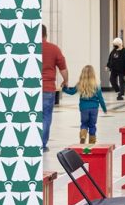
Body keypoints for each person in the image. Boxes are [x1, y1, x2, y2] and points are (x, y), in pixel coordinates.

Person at [62, 65, 107, 145]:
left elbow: (71, 92)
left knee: (84, 124)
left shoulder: (80, 84)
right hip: (94, 109)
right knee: (92, 125)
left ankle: (83, 135)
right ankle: (92, 143)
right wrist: (104, 109)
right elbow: (100, 99)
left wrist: (64, 89)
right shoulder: (96, 85)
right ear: (93, 74)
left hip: (84, 109)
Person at [41, 25, 68, 153]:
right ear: (46, 34)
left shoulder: (28, 48)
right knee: (46, 116)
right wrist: (65, 80)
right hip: (48, 88)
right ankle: (42, 144)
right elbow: (63, 67)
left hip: (31, 89)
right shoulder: (53, 49)